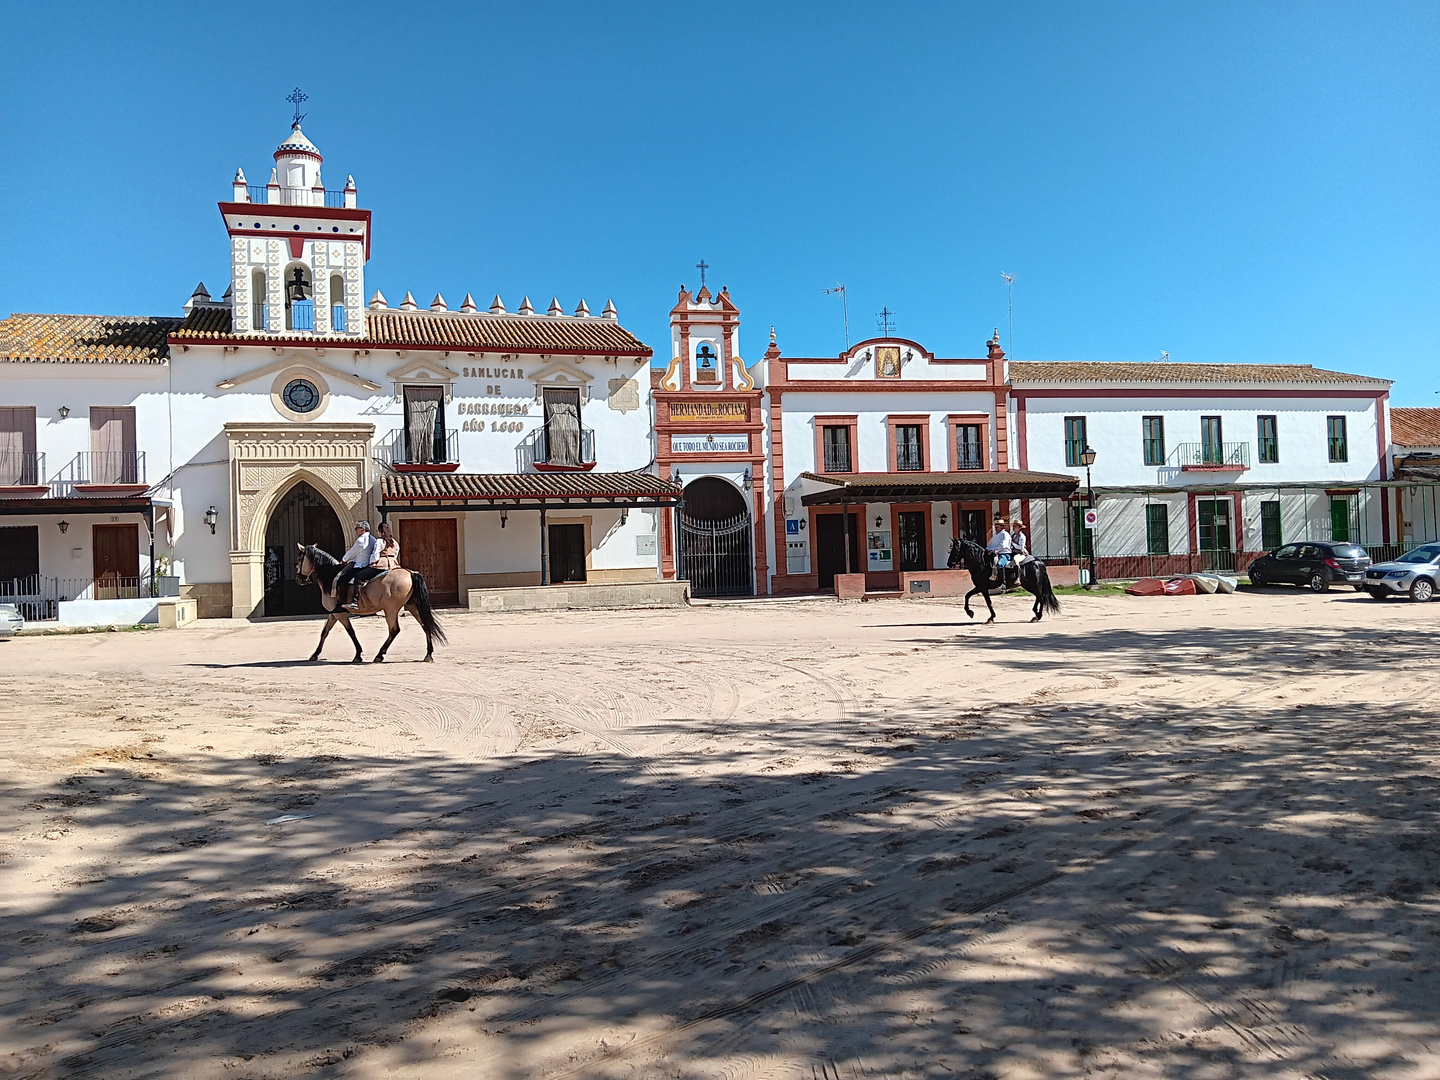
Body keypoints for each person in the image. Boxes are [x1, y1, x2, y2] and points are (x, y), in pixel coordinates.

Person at [335, 520, 380, 612]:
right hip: (366, 564)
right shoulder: (373, 538)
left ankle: (342, 603)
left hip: (361, 566)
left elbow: (352, 552)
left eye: (357, 528)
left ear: (363, 529)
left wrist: (343, 560)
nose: (355, 530)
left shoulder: (361, 540)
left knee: (342, 579)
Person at [985, 516, 1012, 589]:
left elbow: (1003, 545)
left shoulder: (1005, 534)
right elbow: (991, 545)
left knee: (1000, 564)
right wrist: (986, 549)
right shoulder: (996, 535)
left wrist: (995, 550)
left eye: (998, 527)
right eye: (995, 526)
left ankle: (1003, 583)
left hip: (1004, 554)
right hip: (996, 554)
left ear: (1002, 527)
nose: (996, 528)